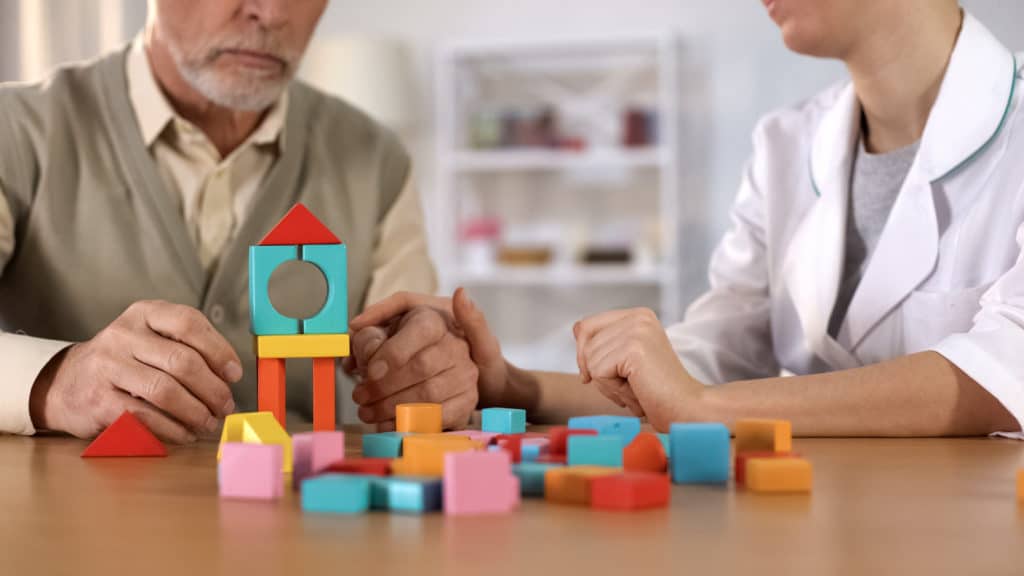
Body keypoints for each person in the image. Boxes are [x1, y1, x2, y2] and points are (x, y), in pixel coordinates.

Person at [347, 0, 1024, 439]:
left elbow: (1001, 374)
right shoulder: (786, 145)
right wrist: (514, 386)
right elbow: (702, 366)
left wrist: (705, 411)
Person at [0, 0, 479, 443]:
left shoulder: (377, 159)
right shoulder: (17, 130)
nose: (269, 12)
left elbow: (418, 359)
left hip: (305, 520)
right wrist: (57, 380)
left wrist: (432, 372)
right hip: (80, 524)